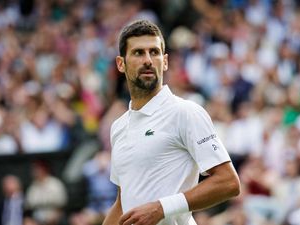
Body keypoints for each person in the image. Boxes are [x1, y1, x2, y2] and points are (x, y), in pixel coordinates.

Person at [103, 20, 240, 225]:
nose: (148, 60)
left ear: (165, 61)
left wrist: (161, 208)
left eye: (155, 52)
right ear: (121, 64)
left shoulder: (185, 112)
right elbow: (123, 204)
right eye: (139, 53)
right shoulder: (118, 127)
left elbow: (228, 182)